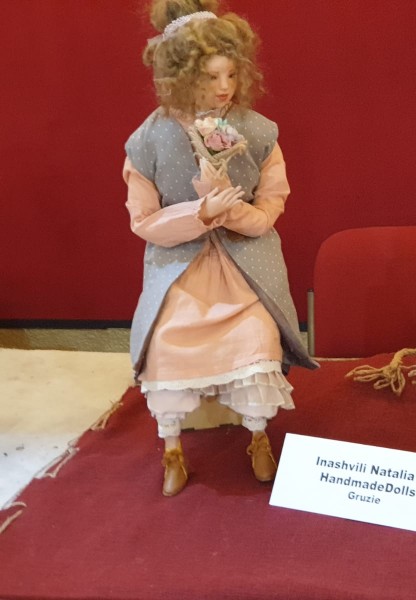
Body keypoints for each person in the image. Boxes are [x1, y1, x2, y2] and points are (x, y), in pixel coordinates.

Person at [124, 0, 317, 497]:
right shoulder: (148, 140)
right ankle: (172, 447)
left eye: (231, 74)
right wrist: (200, 213)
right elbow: (143, 221)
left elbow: (271, 204)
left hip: (244, 268)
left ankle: (258, 437)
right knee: (167, 343)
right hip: (181, 271)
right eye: (210, 77)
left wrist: (234, 214)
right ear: (181, 77)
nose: (224, 87)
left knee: (257, 336)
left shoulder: (257, 131)